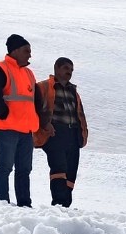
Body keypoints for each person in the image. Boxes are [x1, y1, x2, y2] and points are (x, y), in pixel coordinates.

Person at [0, 35, 38, 206]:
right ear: (14, 51)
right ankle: (2, 203)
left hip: (26, 130)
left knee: (24, 170)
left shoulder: (29, 73)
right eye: (26, 51)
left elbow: (34, 100)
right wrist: (2, 113)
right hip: (6, 128)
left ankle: (24, 203)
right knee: (5, 167)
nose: (29, 55)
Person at [37, 57, 89, 207]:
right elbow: (36, 109)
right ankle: (58, 204)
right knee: (59, 168)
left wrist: (82, 134)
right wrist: (45, 124)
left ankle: (66, 204)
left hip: (73, 134)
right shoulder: (44, 87)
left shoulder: (74, 91)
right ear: (57, 68)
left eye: (71, 70)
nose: (69, 72)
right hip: (54, 133)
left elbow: (80, 114)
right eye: (66, 68)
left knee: (71, 172)